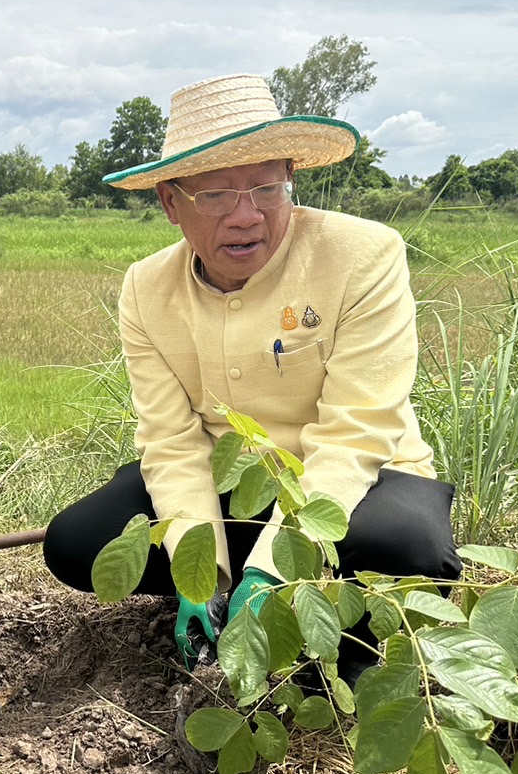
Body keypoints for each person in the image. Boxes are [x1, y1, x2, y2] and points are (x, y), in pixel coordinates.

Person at [42, 74, 461, 682]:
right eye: (215, 195)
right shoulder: (146, 288)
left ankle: (299, 606)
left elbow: (355, 433)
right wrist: (199, 571)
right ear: (170, 202)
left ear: (290, 175)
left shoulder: (364, 255)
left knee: (411, 549)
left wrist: (273, 569)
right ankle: (222, 597)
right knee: (79, 541)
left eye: (267, 187)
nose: (247, 216)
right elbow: (172, 440)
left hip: (363, 480)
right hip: (233, 482)